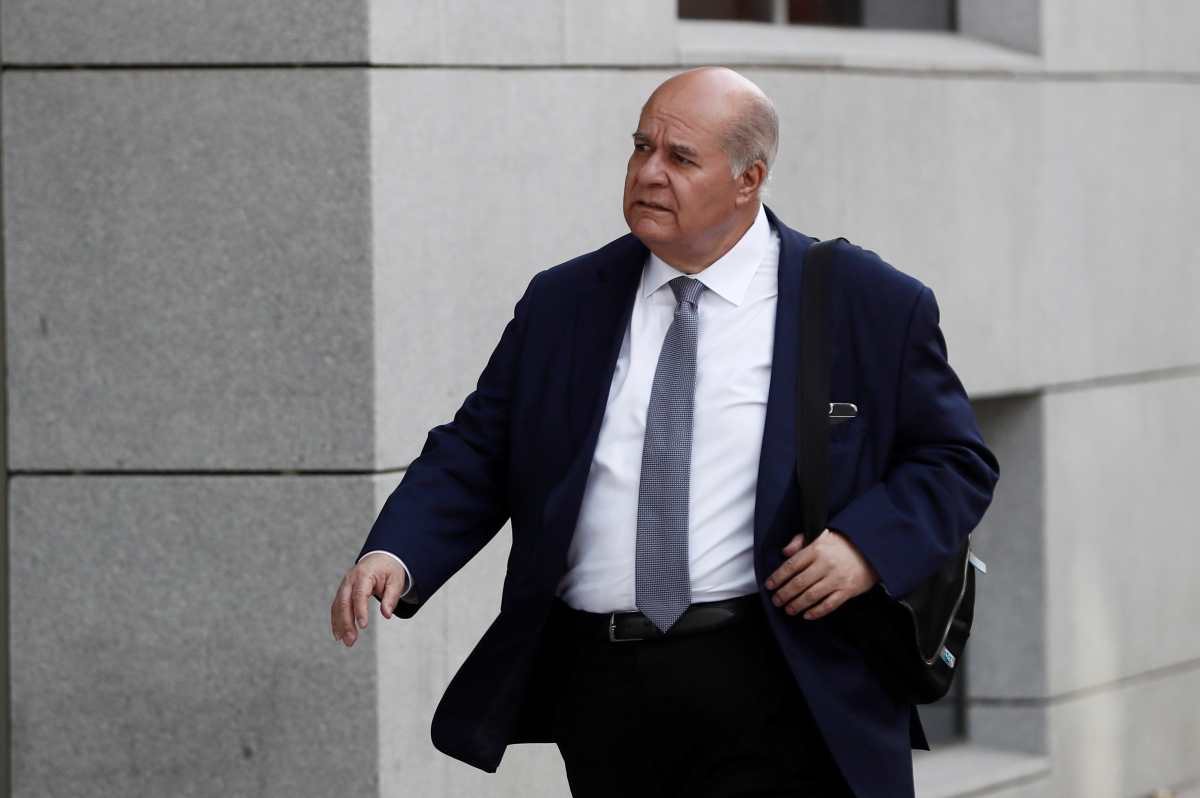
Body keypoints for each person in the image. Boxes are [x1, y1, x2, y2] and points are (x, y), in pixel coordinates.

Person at [330, 66, 999, 798]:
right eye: (641, 147)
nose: (649, 173)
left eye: (680, 158)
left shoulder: (864, 301)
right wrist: (399, 550)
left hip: (786, 679)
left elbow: (955, 459)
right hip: (607, 691)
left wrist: (866, 547)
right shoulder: (565, 301)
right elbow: (480, 448)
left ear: (749, 179)